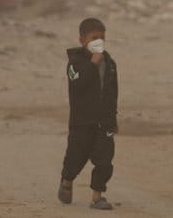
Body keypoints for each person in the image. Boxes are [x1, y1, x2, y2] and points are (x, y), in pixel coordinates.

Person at [59, 17, 118, 211]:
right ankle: (67, 180)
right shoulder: (74, 63)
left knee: (104, 160)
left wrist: (113, 119)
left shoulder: (110, 63)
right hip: (81, 122)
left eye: (102, 38)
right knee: (75, 157)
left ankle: (97, 197)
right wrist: (92, 65)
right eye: (94, 38)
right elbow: (77, 84)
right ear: (82, 40)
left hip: (103, 122)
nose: (98, 41)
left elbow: (112, 93)